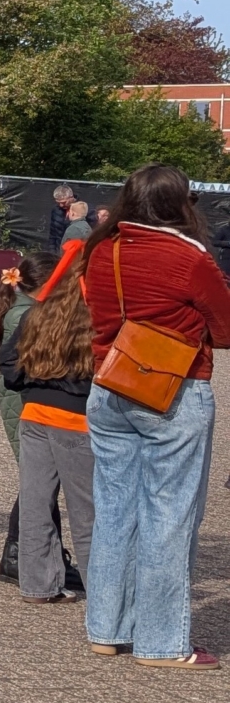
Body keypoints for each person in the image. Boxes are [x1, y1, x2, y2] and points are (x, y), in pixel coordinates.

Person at [78, 163, 230, 670]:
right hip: (171, 390)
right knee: (170, 515)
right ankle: (162, 642)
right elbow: (226, 329)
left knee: (115, 509)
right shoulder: (189, 257)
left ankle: (106, 628)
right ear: (181, 203)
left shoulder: (102, 248)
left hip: (109, 383)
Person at [2, 247, 95, 605]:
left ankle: (38, 585)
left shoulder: (35, 315)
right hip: (76, 418)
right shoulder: (92, 317)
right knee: (87, 512)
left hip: (34, 414)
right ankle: (102, 595)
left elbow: (8, 364)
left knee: (36, 504)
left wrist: (33, 383)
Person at [0, 250, 60, 584]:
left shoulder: (19, 308)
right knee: (39, 483)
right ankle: (19, 554)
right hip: (23, 401)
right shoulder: (25, 316)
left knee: (41, 482)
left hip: (21, 400)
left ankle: (27, 553)